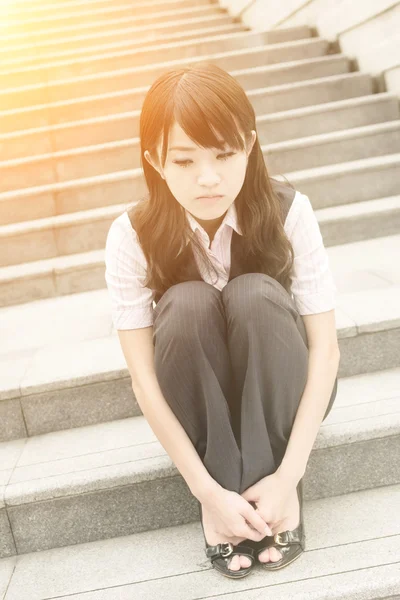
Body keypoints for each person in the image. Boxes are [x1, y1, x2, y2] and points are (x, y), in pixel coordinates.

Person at [104, 62, 340, 578]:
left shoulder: (289, 210)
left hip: (279, 379)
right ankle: (227, 502)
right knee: (186, 304)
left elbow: (325, 350)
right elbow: (144, 381)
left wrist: (290, 474)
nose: (207, 178)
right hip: (196, 389)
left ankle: (274, 492)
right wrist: (206, 492)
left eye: (225, 154)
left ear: (249, 144)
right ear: (155, 160)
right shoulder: (131, 235)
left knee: (255, 294)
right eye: (184, 161)